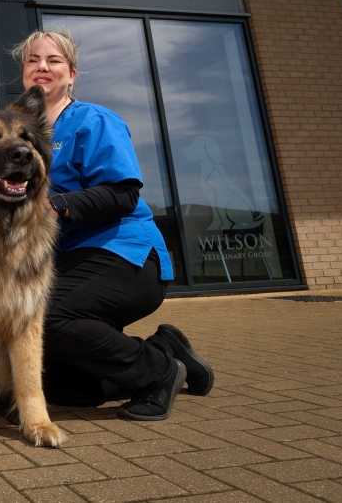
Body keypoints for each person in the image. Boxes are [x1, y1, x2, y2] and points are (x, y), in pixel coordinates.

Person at [16, 29, 214, 421]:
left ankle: (157, 373)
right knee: (67, 390)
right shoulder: (20, 132)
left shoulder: (94, 120)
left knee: (43, 317)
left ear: (71, 74)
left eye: (54, 61)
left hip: (125, 255)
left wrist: (56, 205)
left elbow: (123, 194)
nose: (42, 67)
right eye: (32, 61)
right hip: (67, 264)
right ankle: (165, 348)